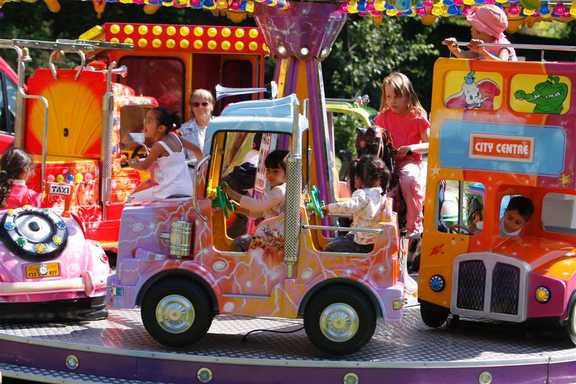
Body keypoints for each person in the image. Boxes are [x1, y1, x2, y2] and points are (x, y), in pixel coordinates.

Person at [374, 72, 429, 238]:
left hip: (410, 162)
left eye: (397, 96)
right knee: (377, 185)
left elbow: (431, 144)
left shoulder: (418, 116)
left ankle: (415, 227)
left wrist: (411, 148)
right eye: (389, 96)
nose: (392, 101)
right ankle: (379, 226)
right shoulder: (382, 118)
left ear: (408, 94)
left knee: (408, 180)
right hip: (387, 163)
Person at [127, 108, 202, 202]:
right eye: (145, 120)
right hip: (187, 190)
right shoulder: (175, 137)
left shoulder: (158, 146)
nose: (145, 124)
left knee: (130, 200)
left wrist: (130, 162)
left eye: (149, 121)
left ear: (161, 128)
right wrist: (202, 171)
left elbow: (143, 166)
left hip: (168, 191)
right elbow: (197, 150)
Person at [223, 150, 288, 252]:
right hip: (274, 237)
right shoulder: (279, 190)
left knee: (240, 243)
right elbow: (261, 213)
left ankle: (243, 267)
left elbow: (258, 205)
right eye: (268, 170)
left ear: (287, 174)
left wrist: (232, 193)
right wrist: (238, 209)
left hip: (275, 240)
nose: (270, 175)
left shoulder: (280, 191)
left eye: (275, 171)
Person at [323, 155, 390, 253]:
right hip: (372, 241)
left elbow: (348, 207)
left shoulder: (362, 194)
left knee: (329, 248)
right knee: (338, 240)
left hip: (360, 243)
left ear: (358, 178)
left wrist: (328, 208)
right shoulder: (379, 193)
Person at [443, 5, 517, 62]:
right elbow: (468, 56)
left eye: (473, 26)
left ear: (480, 30)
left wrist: (483, 52)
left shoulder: (502, 45)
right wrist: (455, 50)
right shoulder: (480, 45)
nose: (471, 29)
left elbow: (502, 63)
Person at [179, 89, 214, 161]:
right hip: (193, 171)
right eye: (196, 104)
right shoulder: (183, 129)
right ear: (192, 108)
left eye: (204, 104)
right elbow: (181, 159)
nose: (200, 107)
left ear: (212, 106)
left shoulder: (221, 126)